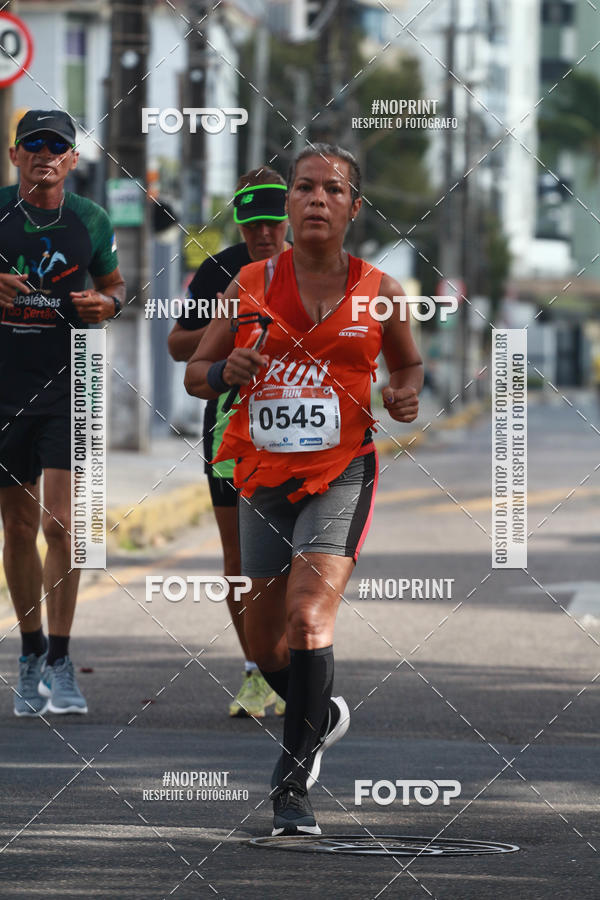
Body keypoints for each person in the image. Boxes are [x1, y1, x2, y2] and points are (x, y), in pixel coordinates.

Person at [184, 143, 423, 836]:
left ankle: (292, 786)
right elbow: (197, 371)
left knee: (308, 617)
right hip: (261, 472)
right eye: (305, 188)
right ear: (288, 205)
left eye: (333, 190)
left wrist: (404, 395)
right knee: (264, 646)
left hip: (342, 469)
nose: (317, 199)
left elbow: (408, 367)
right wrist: (226, 368)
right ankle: (321, 714)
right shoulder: (250, 284)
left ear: (353, 208)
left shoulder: (380, 290)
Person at [0, 110, 125, 716]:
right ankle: (29, 654)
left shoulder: (90, 220)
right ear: (15, 154)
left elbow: (119, 288)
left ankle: (61, 658)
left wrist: (106, 303)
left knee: (63, 526)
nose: (45, 154)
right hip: (3, 388)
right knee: (19, 529)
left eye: (58, 146)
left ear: (72, 160)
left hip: (70, 385)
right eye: (34, 144)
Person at [168, 168, 289, 718]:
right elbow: (176, 345)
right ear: (239, 221)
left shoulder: (311, 267)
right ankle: (256, 674)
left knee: (292, 557)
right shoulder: (219, 271)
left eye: (272, 220)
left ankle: (293, 663)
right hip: (228, 431)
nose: (263, 233)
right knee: (239, 558)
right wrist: (225, 321)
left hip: (297, 432)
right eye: (252, 221)